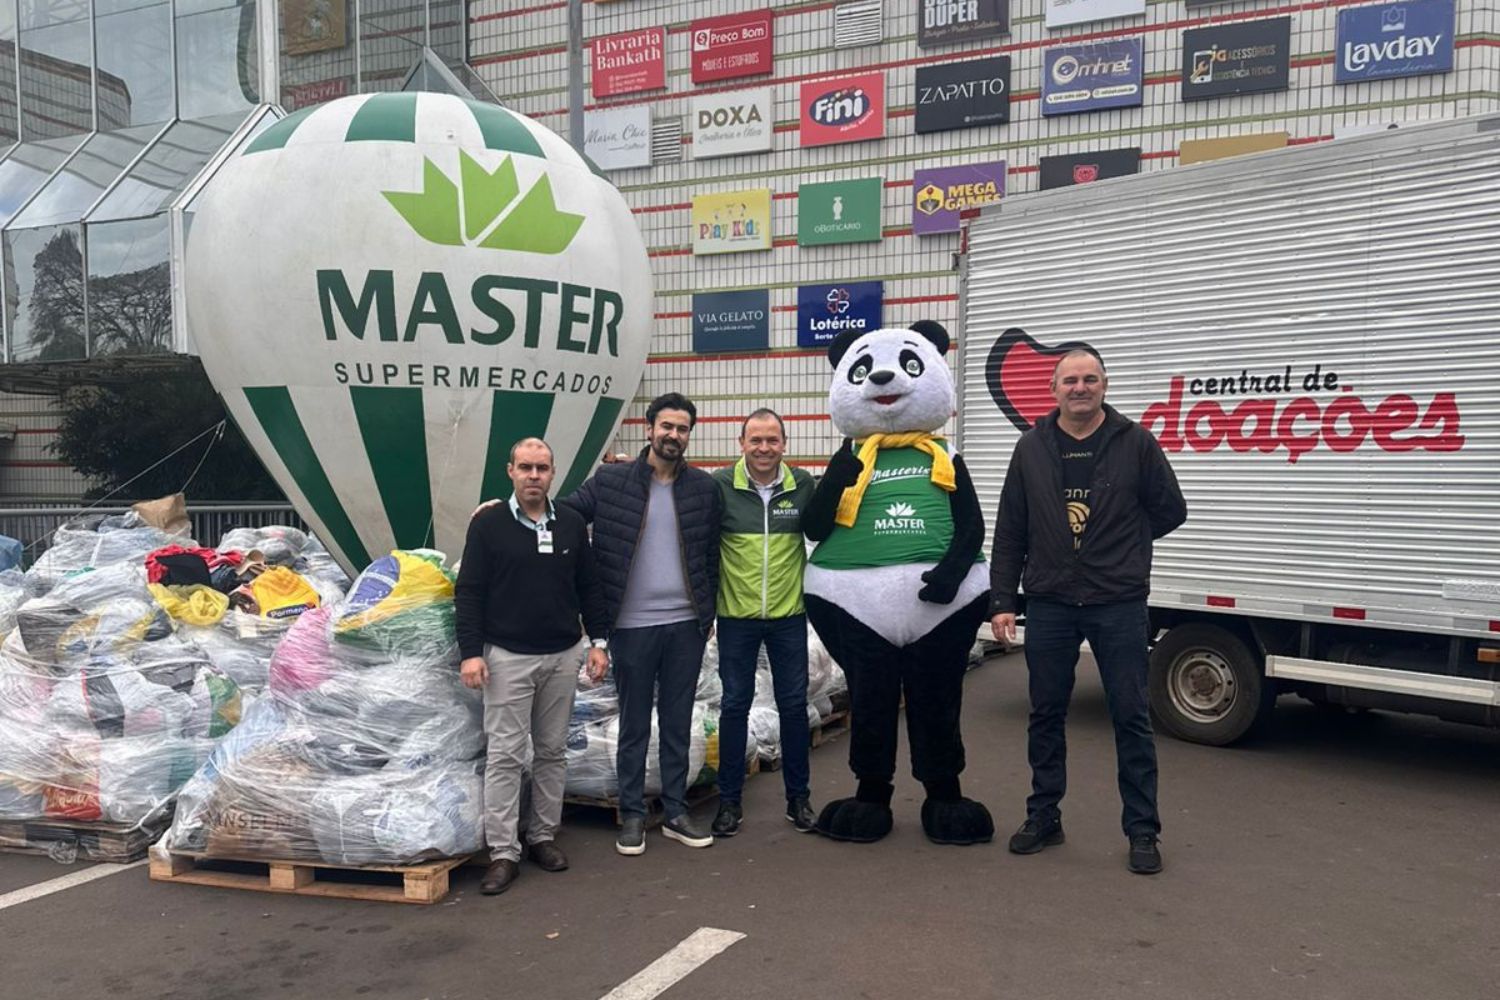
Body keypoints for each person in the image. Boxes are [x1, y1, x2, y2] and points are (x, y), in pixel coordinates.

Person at [989, 349, 1187, 875]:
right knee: (1045, 715)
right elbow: (1011, 528)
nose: (1080, 388)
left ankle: (1142, 830)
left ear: (1105, 385)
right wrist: (1003, 600)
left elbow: (1171, 509)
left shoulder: (1135, 443)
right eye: (1071, 380)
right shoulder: (1031, 448)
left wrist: (1125, 545)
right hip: (1051, 601)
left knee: (1131, 716)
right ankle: (1044, 816)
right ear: (1054, 389)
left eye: (1090, 379)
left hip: (1117, 601)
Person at [561, 392, 723, 855]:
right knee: (633, 723)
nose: (674, 435)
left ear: (689, 435)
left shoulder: (704, 489)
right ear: (649, 428)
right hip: (631, 625)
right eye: (666, 426)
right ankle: (632, 814)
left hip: (685, 625)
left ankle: (675, 811)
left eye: (682, 428)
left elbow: (710, 554)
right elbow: (564, 513)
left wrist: (707, 613)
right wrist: (508, 508)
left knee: (677, 721)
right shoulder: (610, 482)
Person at [455, 437, 610, 896]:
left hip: (562, 655)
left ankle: (543, 836)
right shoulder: (489, 525)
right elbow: (470, 591)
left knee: (551, 751)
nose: (534, 476)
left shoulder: (571, 524)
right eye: (525, 467)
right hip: (507, 658)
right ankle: (504, 852)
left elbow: (589, 587)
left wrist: (598, 642)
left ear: (553, 473)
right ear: (511, 471)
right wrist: (470, 652)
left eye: (542, 468)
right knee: (505, 756)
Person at [709, 409, 818, 837]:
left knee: (793, 707)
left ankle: (799, 799)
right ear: (741, 444)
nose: (764, 448)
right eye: (755, 440)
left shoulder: (802, 485)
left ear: (784, 444)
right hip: (736, 618)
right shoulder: (721, 485)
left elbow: (828, 526)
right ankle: (729, 802)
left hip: (788, 616)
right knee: (734, 706)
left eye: (772, 440)